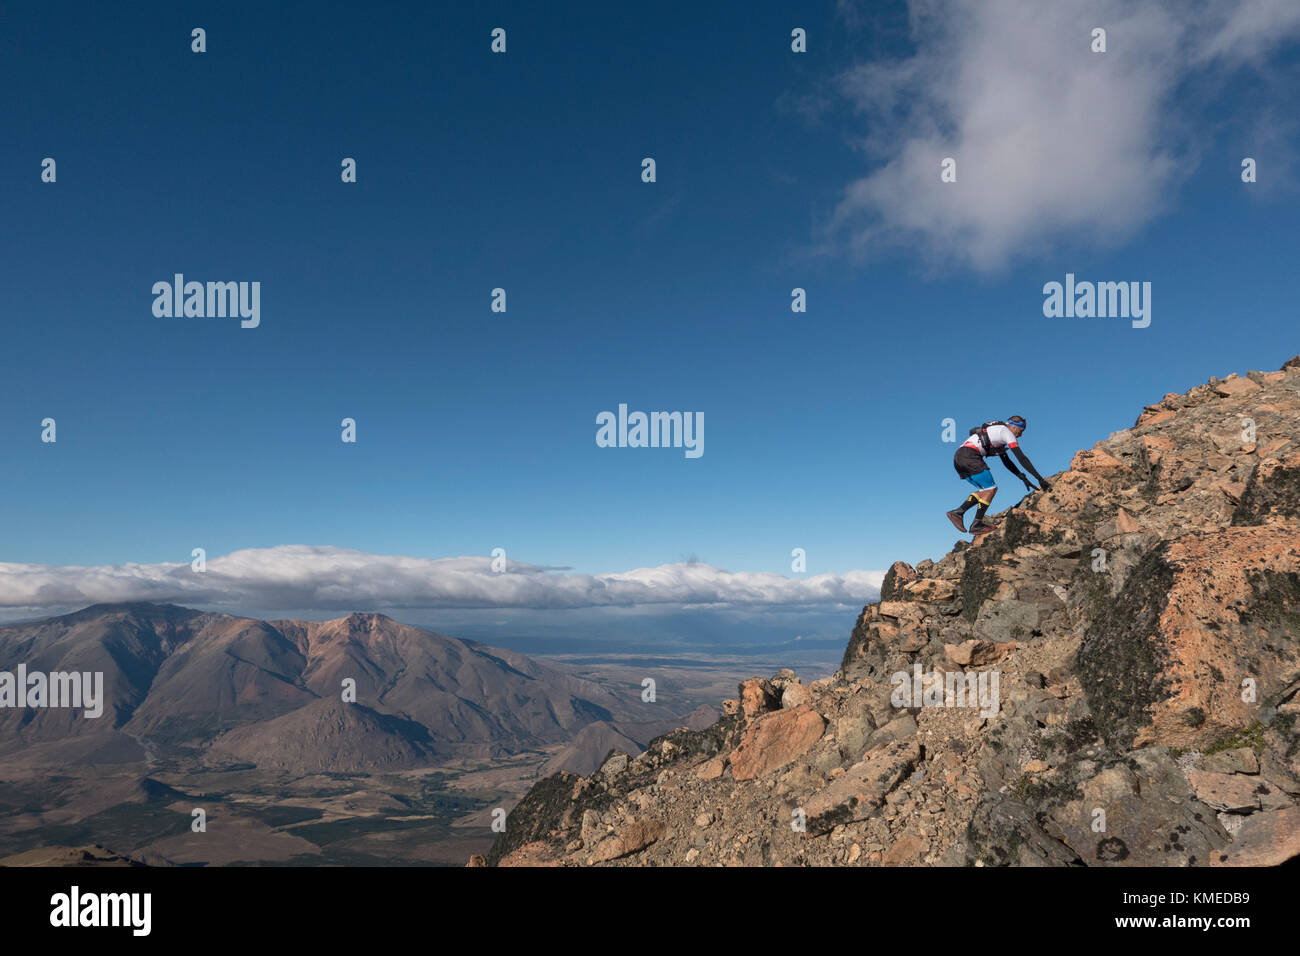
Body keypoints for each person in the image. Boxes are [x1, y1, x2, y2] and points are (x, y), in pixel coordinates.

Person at [947, 416, 1051, 535]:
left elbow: (1006, 461)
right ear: (1013, 427)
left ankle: (958, 513)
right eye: (1021, 431)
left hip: (959, 457)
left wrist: (1022, 477)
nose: (1020, 435)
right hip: (971, 457)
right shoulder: (1006, 432)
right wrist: (1039, 478)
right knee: (991, 489)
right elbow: (1021, 458)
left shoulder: (997, 431)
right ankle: (974, 523)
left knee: (985, 490)